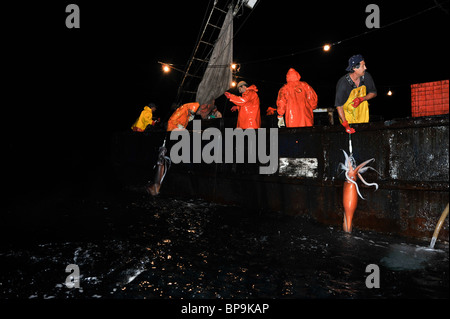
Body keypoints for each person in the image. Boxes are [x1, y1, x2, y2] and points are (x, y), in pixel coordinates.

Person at [335, 54, 377, 134]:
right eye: (363, 66)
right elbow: (339, 106)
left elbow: (373, 93)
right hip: (347, 118)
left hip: (363, 115)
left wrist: (362, 99)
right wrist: (346, 125)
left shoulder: (366, 77)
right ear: (355, 68)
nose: (365, 68)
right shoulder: (343, 83)